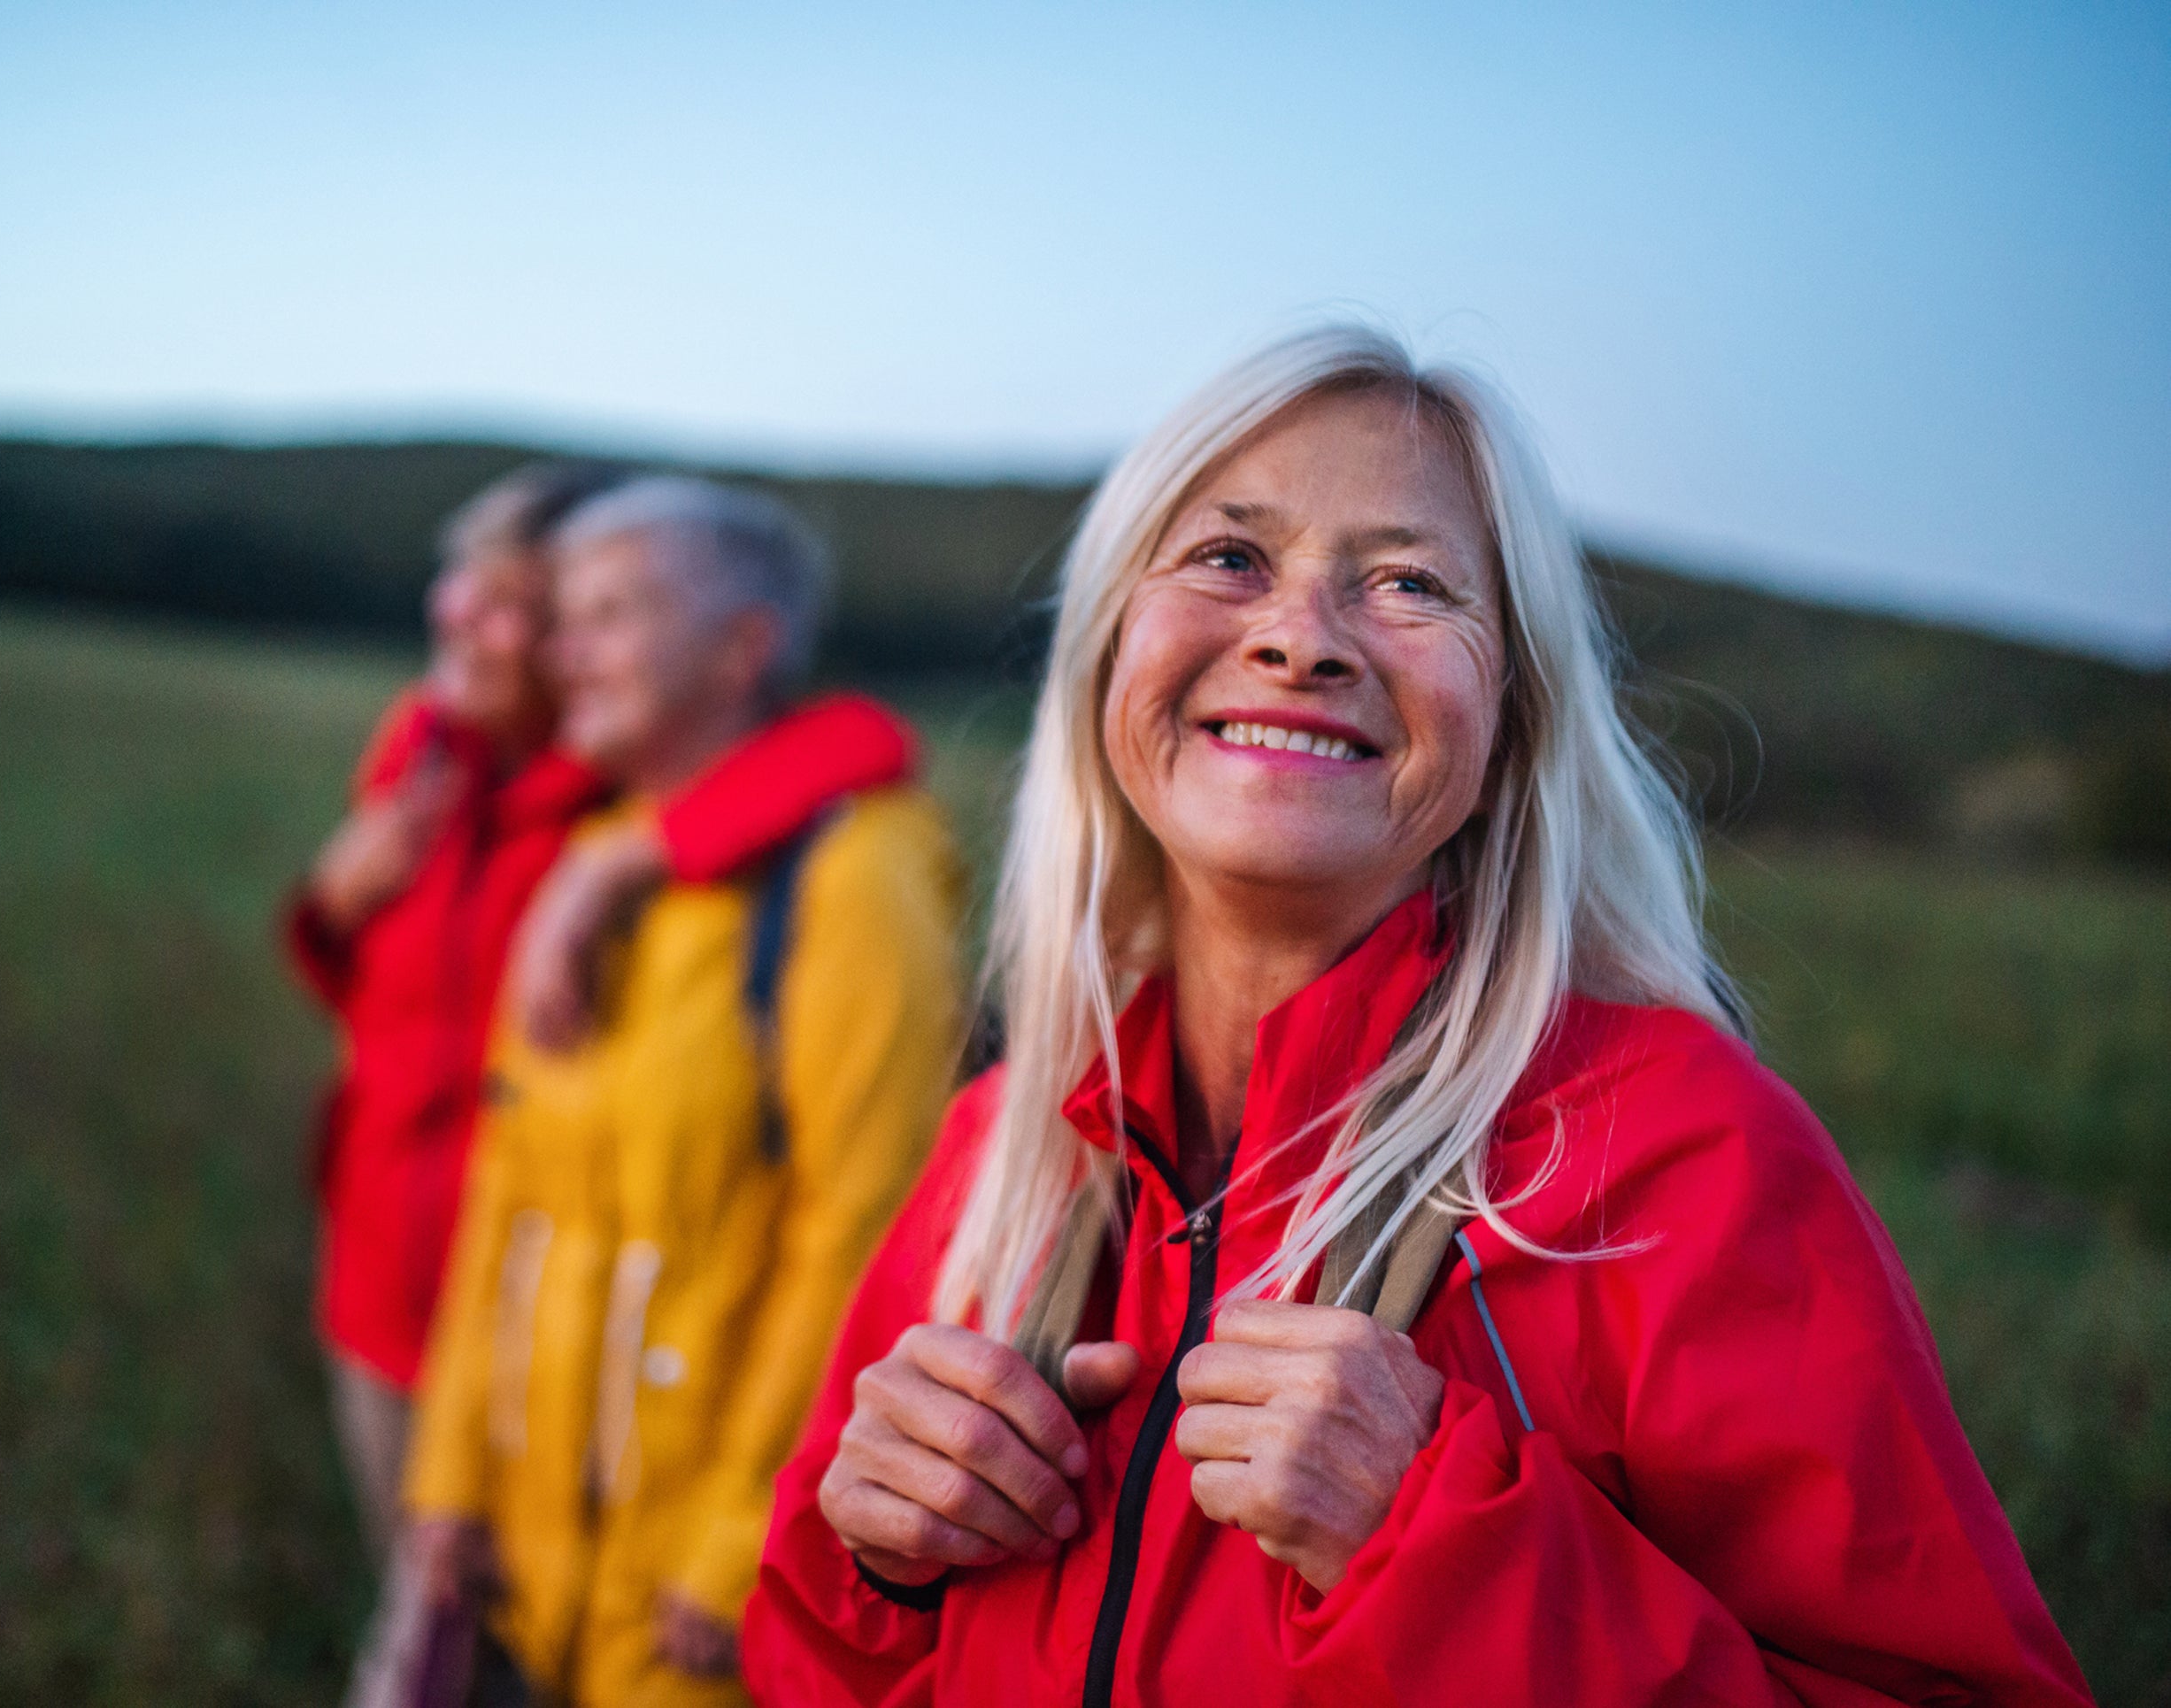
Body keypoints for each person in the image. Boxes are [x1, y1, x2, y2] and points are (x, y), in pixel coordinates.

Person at [742, 328, 2093, 1704]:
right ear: (1106, 658)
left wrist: (1445, 1549)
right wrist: (880, 1561)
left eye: (1409, 583)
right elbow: (806, 1661)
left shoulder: (1685, 1156)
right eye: (1229, 558)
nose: (1297, 635)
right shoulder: (1003, 1148)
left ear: (1511, 723)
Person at [277, 467, 918, 1620]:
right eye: (458, 583)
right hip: (382, 1287)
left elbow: (854, 741)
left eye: (520, 604)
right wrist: (333, 894)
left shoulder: (627, 801)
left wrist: (620, 858)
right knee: (424, 1626)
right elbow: (377, 1008)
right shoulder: (427, 753)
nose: (459, 618)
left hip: (556, 1352)